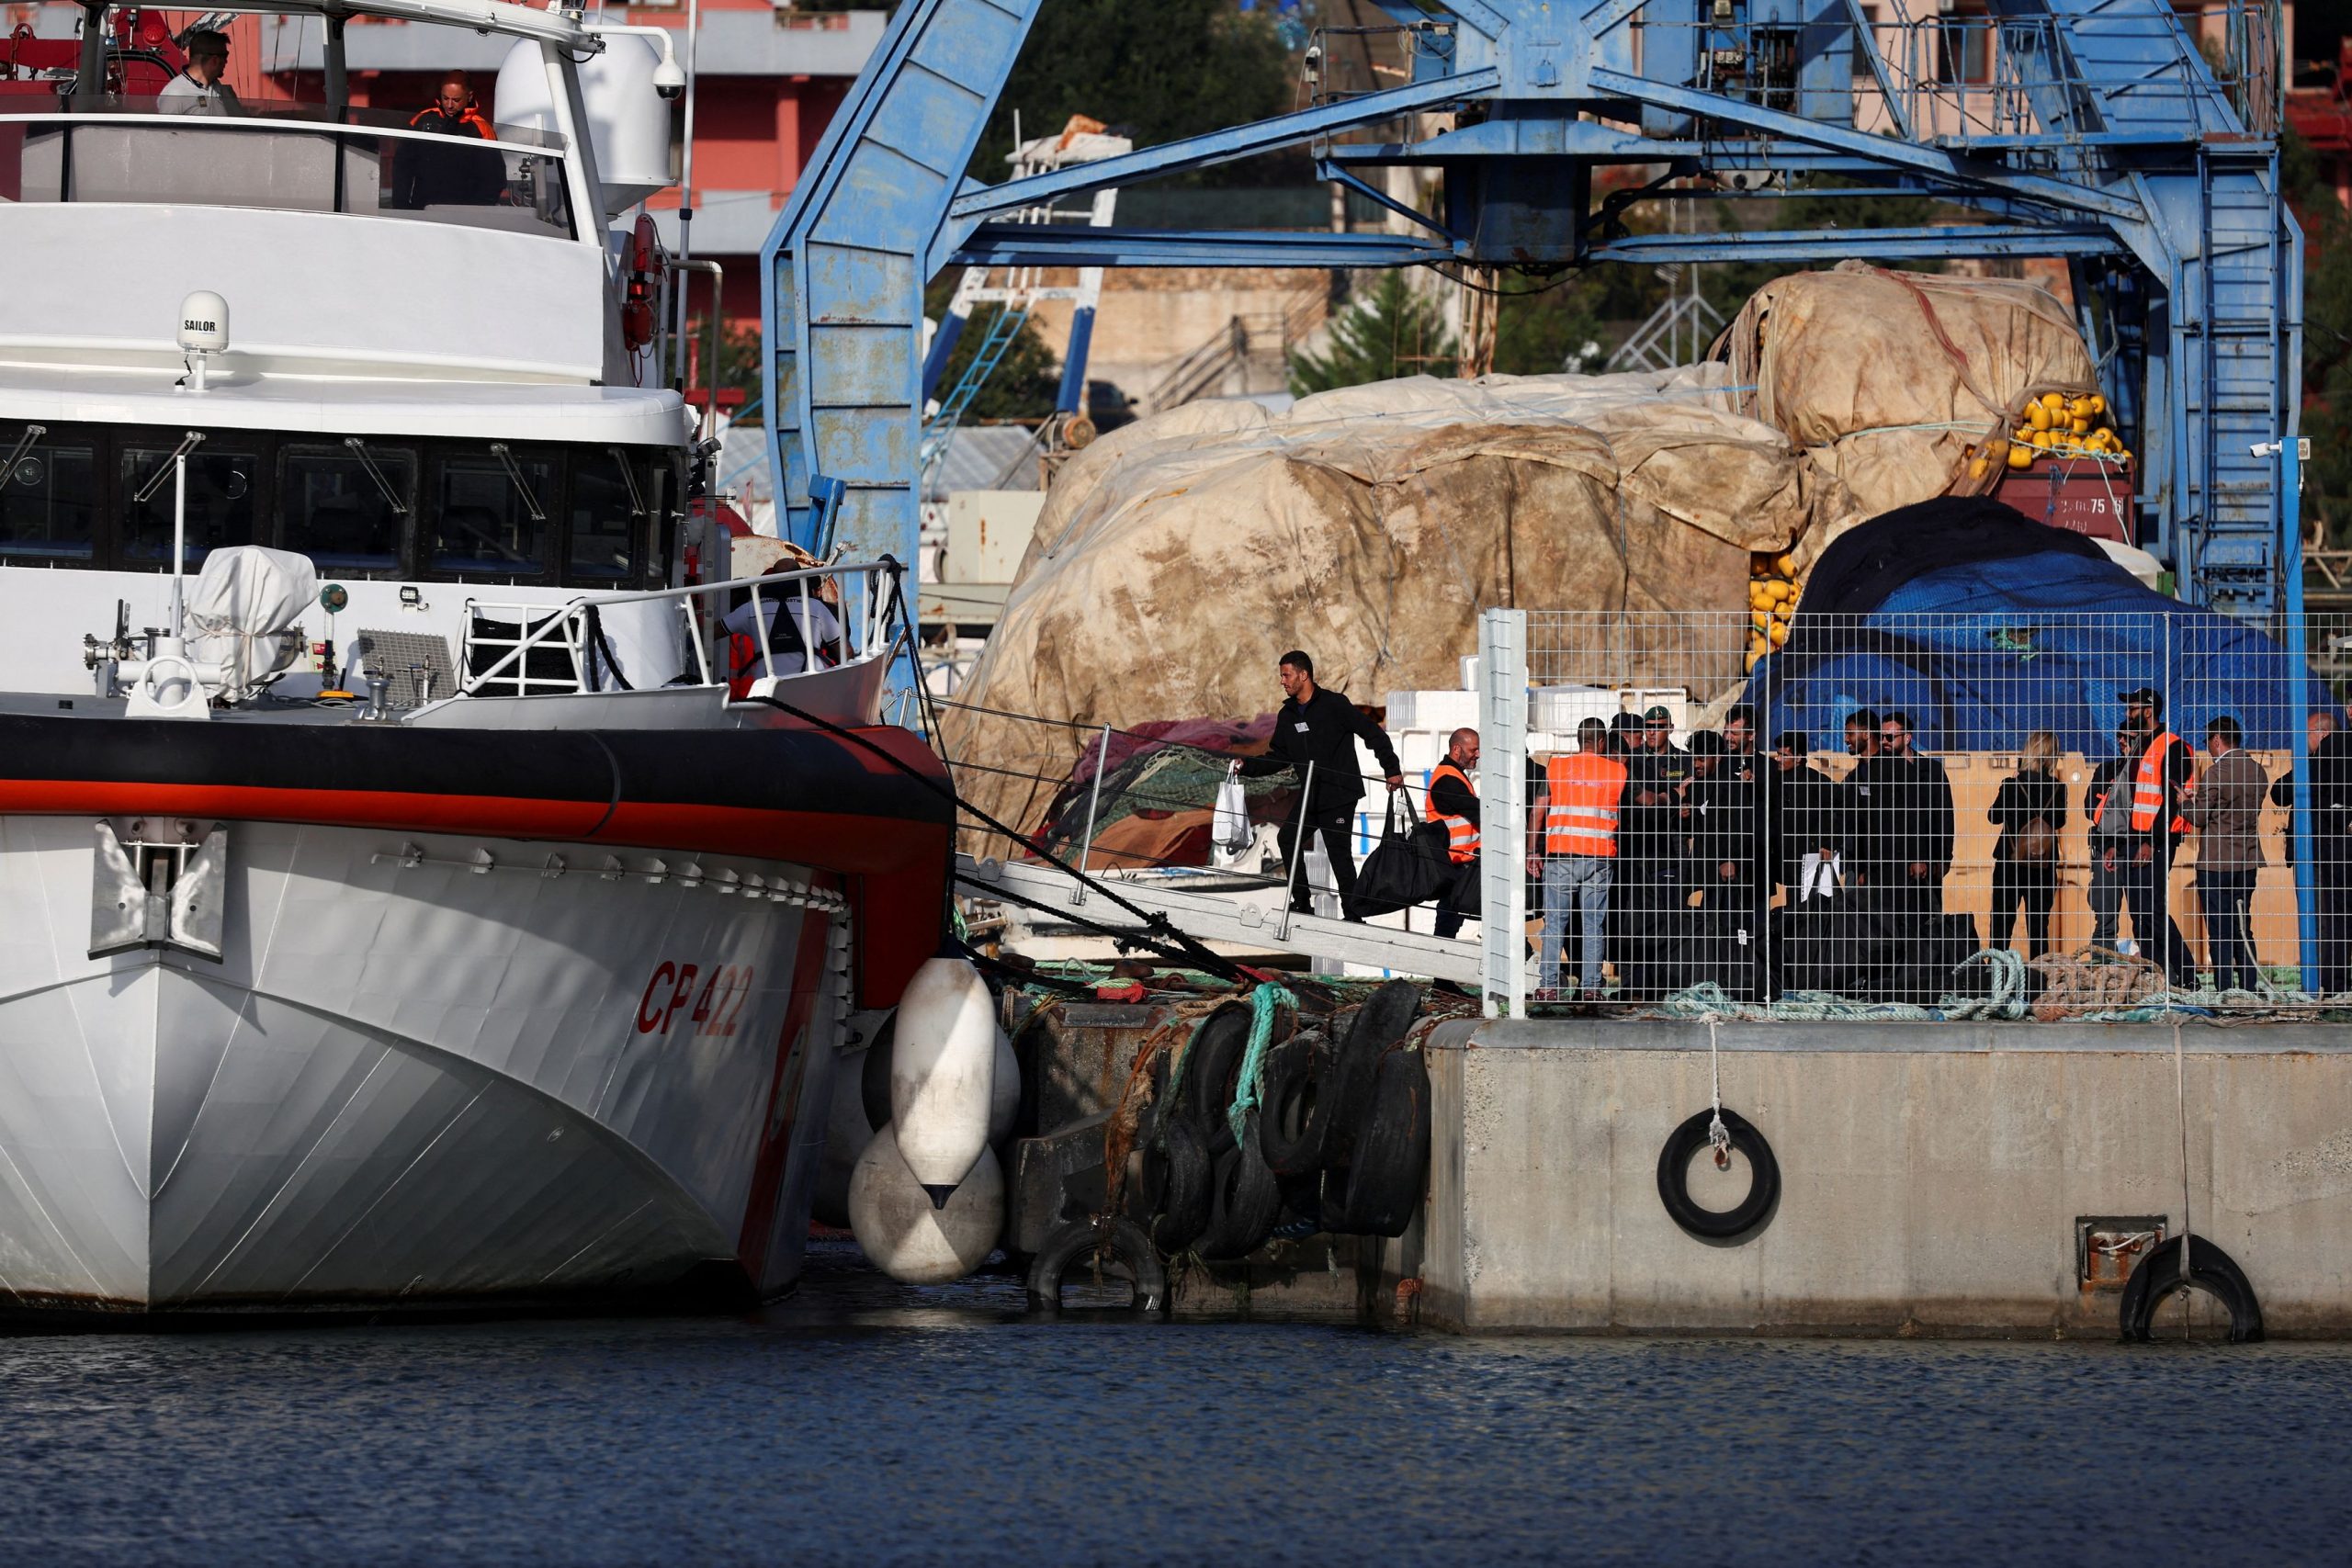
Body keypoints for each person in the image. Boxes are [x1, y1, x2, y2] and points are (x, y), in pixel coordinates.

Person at [1243, 649, 1401, 917]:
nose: (1282, 681)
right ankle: (1303, 902)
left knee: (1338, 853)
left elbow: (1372, 733)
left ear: (1303, 675)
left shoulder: (1334, 704)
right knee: (1288, 838)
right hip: (1310, 797)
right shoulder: (1288, 714)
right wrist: (1246, 766)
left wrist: (1391, 769)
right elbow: (1278, 757)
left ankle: (1353, 912)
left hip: (1339, 794)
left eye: (1286, 675)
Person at [2100, 685, 2195, 985]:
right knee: (2139, 915)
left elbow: (2170, 799)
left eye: (2133, 708)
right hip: (2131, 841)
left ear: (2149, 710)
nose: (2127, 713)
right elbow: (2130, 801)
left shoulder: (2173, 746)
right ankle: (2158, 978)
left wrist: (2149, 842)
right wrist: (2117, 843)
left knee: (2153, 911)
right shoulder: (2140, 747)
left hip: (2155, 842)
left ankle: (2187, 976)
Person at [1530, 717, 1625, 1001]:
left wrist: (1532, 850)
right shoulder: (1616, 772)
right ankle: (1591, 989)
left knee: (1555, 924)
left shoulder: (1556, 768)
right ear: (1601, 742)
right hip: (1598, 860)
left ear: (1579, 740)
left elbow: (1537, 811)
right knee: (1593, 926)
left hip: (1561, 857)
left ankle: (1548, 987)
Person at [1681, 728, 1769, 996]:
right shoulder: (1696, 786)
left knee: (1735, 927)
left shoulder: (1732, 785)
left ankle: (1741, 984)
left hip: (1731, 872)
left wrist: (1732, 860)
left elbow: (1742, 826)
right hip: (1707, 872)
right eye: (1694, 758)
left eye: (1702, 759)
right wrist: (1684, 811)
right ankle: (1712, 982)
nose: (1696, 764)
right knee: (1710, 927)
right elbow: (1698, 827)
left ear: (1717, 758)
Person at [2183, 715, 2266, 993]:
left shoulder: (2216, 773)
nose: (2207, 746)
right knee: (2243, 927)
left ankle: (2224, 990)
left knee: (2219, 931)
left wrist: (2184, 802)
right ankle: (2250, 989)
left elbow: (2199, 817)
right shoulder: (2257, 771)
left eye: (2208, 741)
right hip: (2247, 860)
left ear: (2217, 740)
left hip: (2216, 863)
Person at [1988, 729, 2066, 960]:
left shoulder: (2012, 785)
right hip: (2042, 865)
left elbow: (1993, 816)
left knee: (2001, 926)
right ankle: (2037, 982)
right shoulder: (2057, 788)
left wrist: (2012, 783)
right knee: (2038, 928)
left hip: (2010, 863)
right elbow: (2059, 820)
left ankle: (1998, 977)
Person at [722, 551, 842, 691]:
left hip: (761, 692)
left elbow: (712, 632)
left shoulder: (751, 610)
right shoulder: (816, 607)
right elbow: (845, 650)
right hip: (812, 689)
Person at [1878, 710, 1954, 925]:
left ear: (1908, 738)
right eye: (1882, 736)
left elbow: (1944, 817)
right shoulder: (1879, 771)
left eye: (1890, 737)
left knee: (1927, 925)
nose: (1884, 741)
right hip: (1890, 865)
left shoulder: (1931, 771)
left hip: (1927, 865)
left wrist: (1943, 859)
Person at [394, 73, 504, 209]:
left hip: (465, 213)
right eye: (445, 98)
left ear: (469, 96)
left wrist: (479, 210)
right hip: (423, 210)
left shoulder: (481, 128)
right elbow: (402, 167)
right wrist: (401, 207)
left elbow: (494, 177)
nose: (449, 105)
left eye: (456, 100)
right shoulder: (422, 120)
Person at [2086, 721, 2138, 952]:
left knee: (2147, 917)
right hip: (2107, 851)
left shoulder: (2149, 771)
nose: (2122, 740)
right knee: (2105, 919)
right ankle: (2101, 971)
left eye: (2128, 736)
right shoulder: (2106, 770)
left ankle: (2160, 971)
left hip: (2138, 850)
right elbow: (2090, 808)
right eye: (2120, 735)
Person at [1425, 728, 1480, 941]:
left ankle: (1441, 964)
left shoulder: (1454, 776)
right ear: (1457, 749)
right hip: (1459, 860)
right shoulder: (1448, 780)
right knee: (1451, 917)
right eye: (1473, 750)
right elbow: (1476, 812)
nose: (1477, 754)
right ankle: (1441, 963)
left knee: (1449, 918)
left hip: (1461, 859)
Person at [1767, 731, 1836, 899]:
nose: (1778, 759)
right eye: (1778, 754)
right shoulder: (1774, 780)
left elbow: (1835, 812)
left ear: (1798, 757)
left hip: (1809, 854)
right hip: (1782, 853)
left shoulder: (1817, 782)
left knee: (1810, 900)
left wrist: (1826, 841)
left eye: (1784, 755)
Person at [160, 29, 240, 116]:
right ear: (215, 60)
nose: (226, 61)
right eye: (225, 56)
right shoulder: (176, 94)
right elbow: (165, 128)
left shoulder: (216, 86)